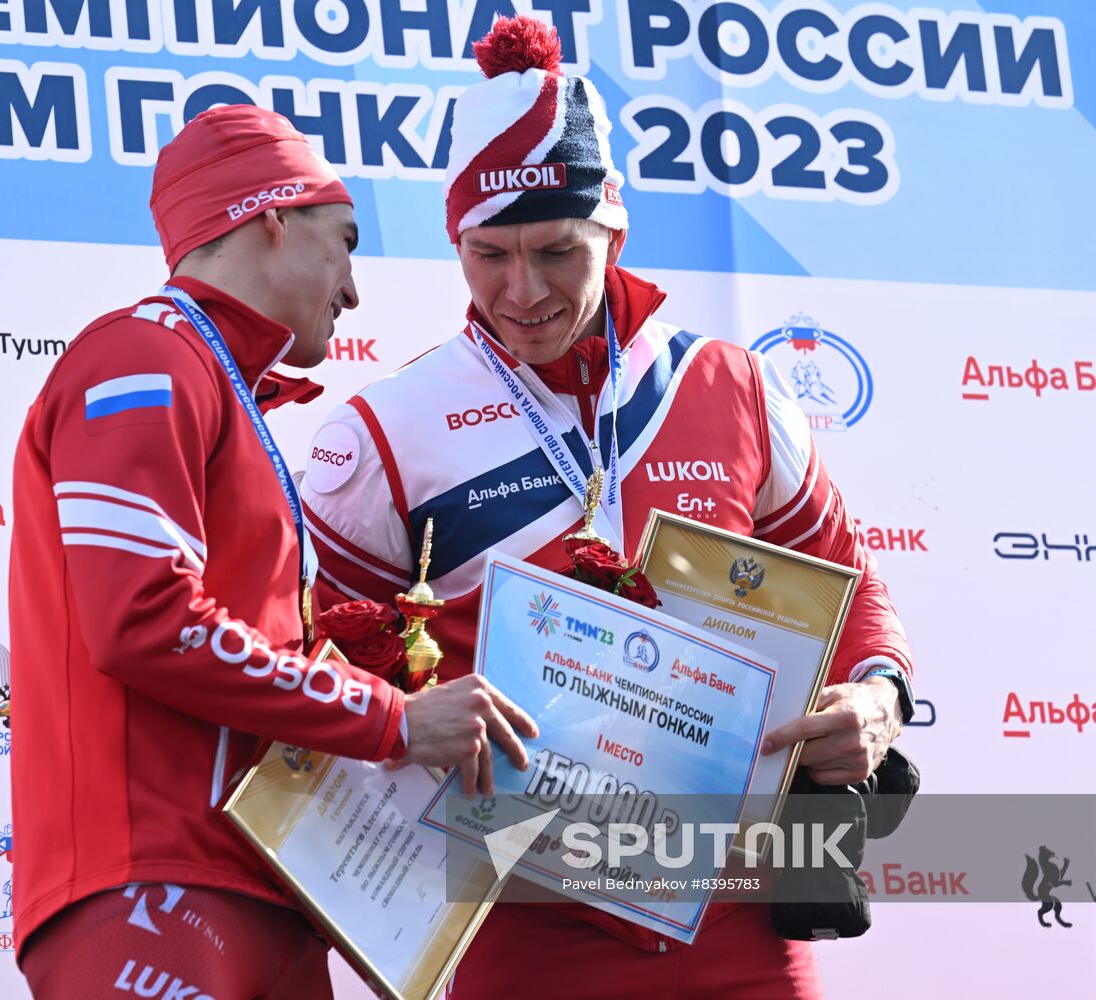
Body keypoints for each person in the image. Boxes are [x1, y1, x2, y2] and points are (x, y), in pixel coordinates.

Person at [299, 16, 916, 999]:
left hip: (738, 915)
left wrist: (877, 697)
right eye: (487, 253)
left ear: (613, 228)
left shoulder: (730, 387)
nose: (522, 289)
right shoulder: (386, 430)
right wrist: (405, 719)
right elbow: (304, 667)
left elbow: (849, 588)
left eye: (556, 250)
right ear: (454, 241)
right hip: (521, 917)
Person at [7, 104, 536, 1000]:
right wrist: (393, 720)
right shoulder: (141, 355)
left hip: (262, 883)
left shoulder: (220, 385)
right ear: (271, 220)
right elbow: (143, 618)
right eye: (346, 242)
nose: (354, 289)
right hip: (154, 881)